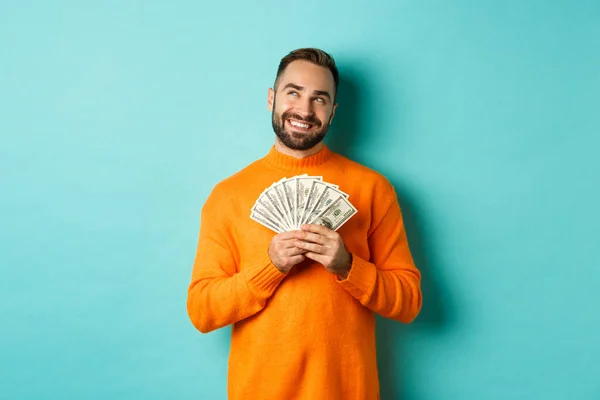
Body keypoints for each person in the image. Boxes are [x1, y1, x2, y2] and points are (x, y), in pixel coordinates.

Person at [187, 48, 422, 400]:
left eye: (320, 99)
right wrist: (270, 267)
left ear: (333, 111)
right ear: (272, 98)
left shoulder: (373, 189)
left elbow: (408, 302)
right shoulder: (228, 196)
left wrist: (348, 266)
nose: (305, 110)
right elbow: (203, 311)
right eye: (293, 92)